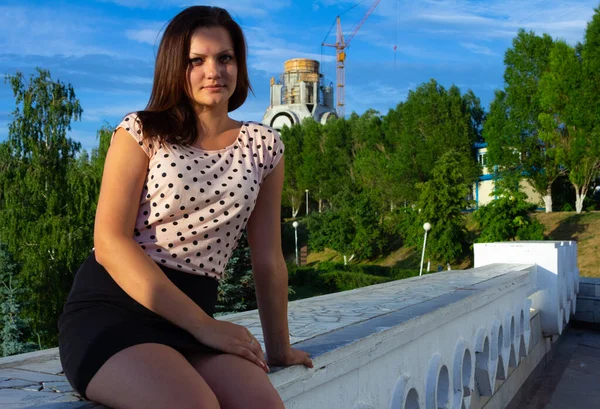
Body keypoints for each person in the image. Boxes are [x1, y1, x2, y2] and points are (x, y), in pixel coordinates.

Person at [58, 6, 312, 409]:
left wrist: (279, 349)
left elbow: (268, 259)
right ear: (176, 67)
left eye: (225, 58)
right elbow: (108, 242)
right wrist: (204, 326)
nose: (214, 71)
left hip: (195, 321)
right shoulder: (141, 131)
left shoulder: (264, 147)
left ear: (239, 65)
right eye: (197, 60)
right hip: (114, 311)